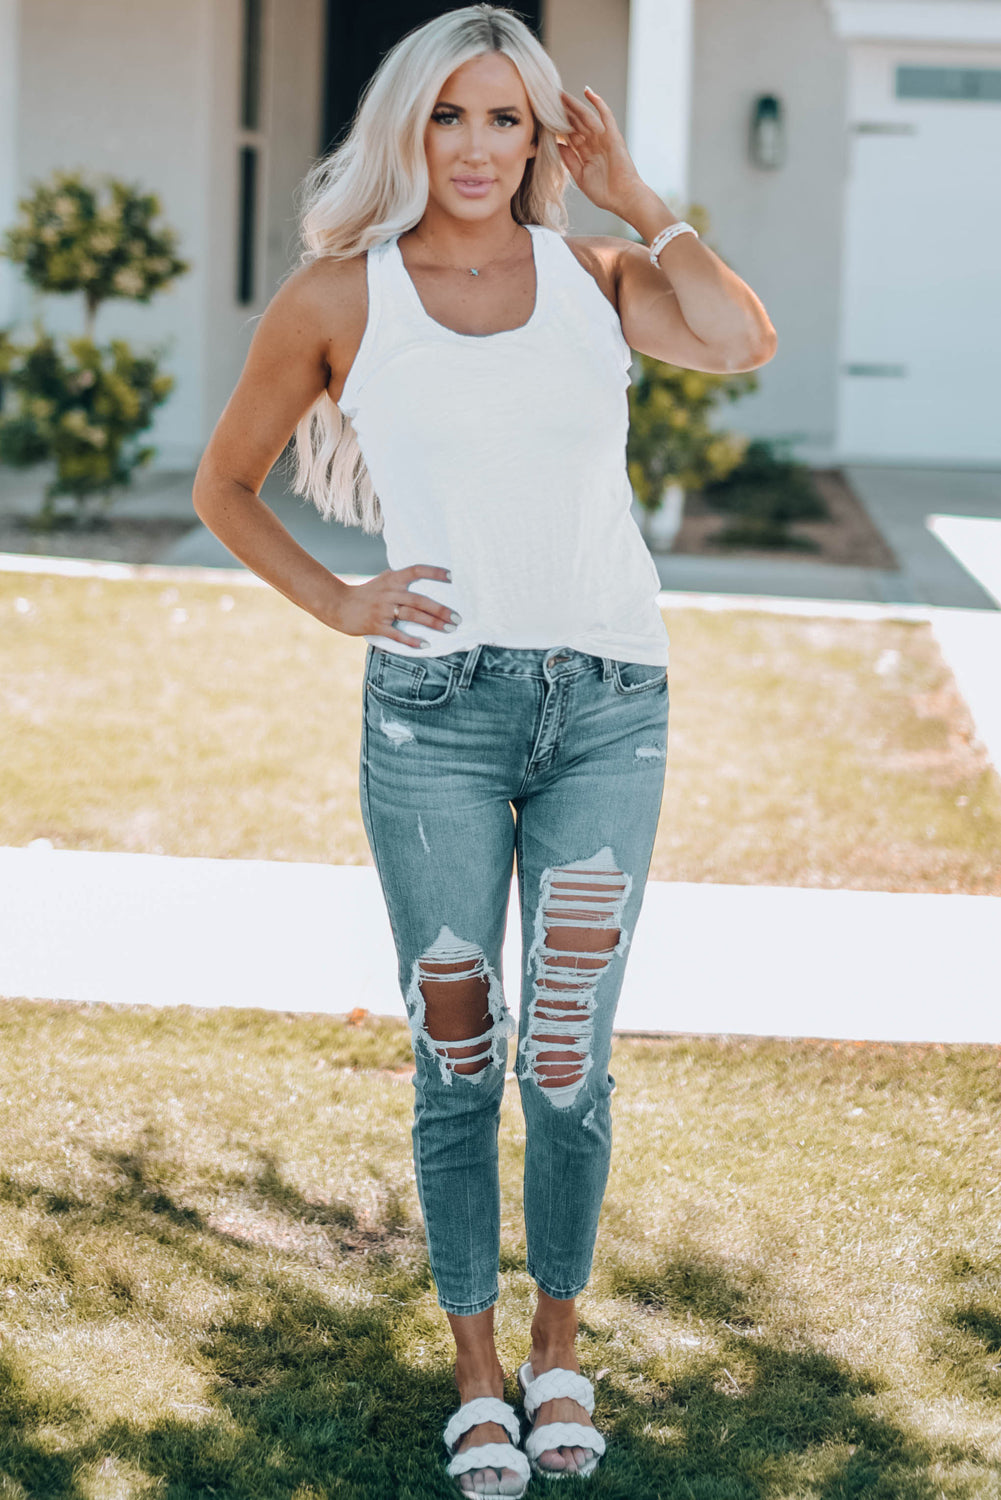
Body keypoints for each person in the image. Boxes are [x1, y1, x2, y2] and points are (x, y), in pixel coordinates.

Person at [193, 6, 776, 1494]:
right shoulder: (342, 296)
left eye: (504, 118)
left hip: (610, 703)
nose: (473, 146)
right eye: (448, 115)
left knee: (566, 1054)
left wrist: (638, 199)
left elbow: (739, 341)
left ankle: (558, 1351)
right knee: (458, 1052)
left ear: (539, 137)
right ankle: (475, 1372)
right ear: (409, 128)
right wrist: (341, 599)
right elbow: (225, 484)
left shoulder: (597, 276)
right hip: (434, 718)